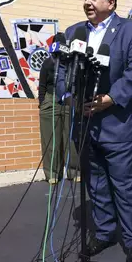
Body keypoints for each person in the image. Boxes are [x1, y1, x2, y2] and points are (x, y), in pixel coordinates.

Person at [56, 0, 132, 262]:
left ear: (111, 2)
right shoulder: (74, 32)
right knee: (95, 185)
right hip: (84, 122)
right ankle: (105, 232)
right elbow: (61, 70)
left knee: (124, 185)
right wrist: (68, 97)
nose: (87, 2)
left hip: (117, 122)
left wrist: (109, 98)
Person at [38, 51, 79, 184]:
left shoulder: (72, 63)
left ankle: (75, 171)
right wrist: (42, 102)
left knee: (71, 138)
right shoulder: (48, 62)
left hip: (69, 99)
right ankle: (53, 173)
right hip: (51, 99)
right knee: (51, 140)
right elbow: (42, 85)